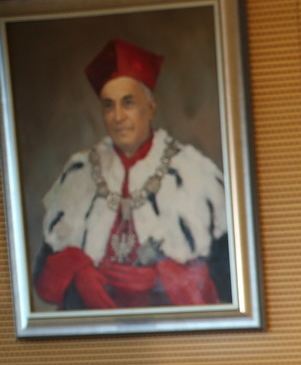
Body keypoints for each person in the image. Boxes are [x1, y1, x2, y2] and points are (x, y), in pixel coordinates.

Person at [34, 37, 229, 309]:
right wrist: (77, 274)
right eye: (108, 105)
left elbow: (227, 283)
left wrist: (161, 278)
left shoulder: (192, 172)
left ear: (150, 108)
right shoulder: (80, 172)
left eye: (128, 103)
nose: (118, 117)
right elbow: (42, 281)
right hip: (91, 325)